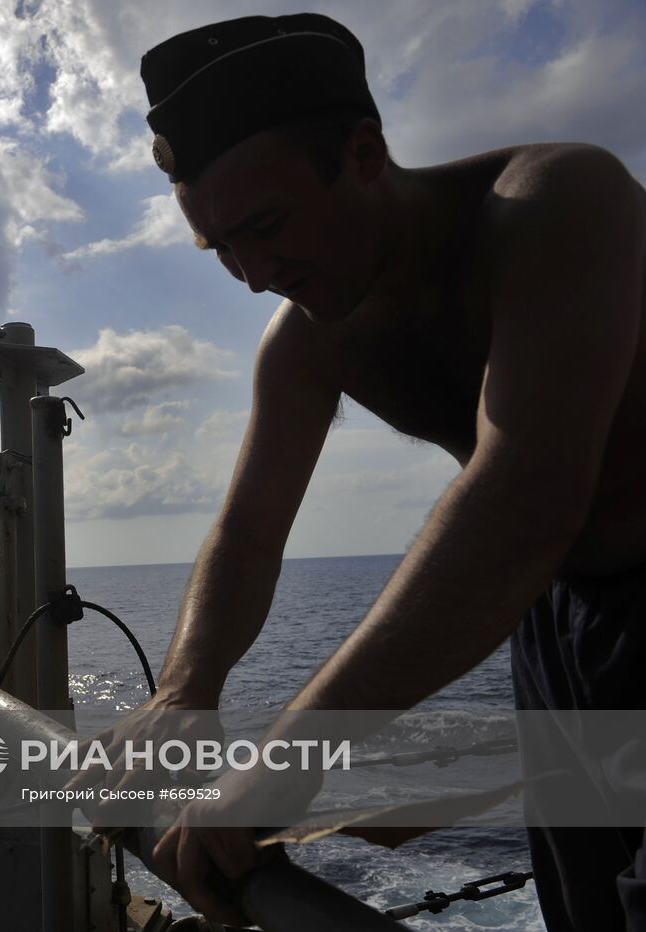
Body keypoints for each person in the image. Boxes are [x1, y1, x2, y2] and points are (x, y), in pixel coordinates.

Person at [115, 12, 645, 931]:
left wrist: (286, 762)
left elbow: (525, 492)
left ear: (365, 152)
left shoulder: (560, 200)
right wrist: (185, 691)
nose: (251, 276)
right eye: (222, 248)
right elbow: (246, 533)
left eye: (267, 227)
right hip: (556, 622)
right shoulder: (306, 343)